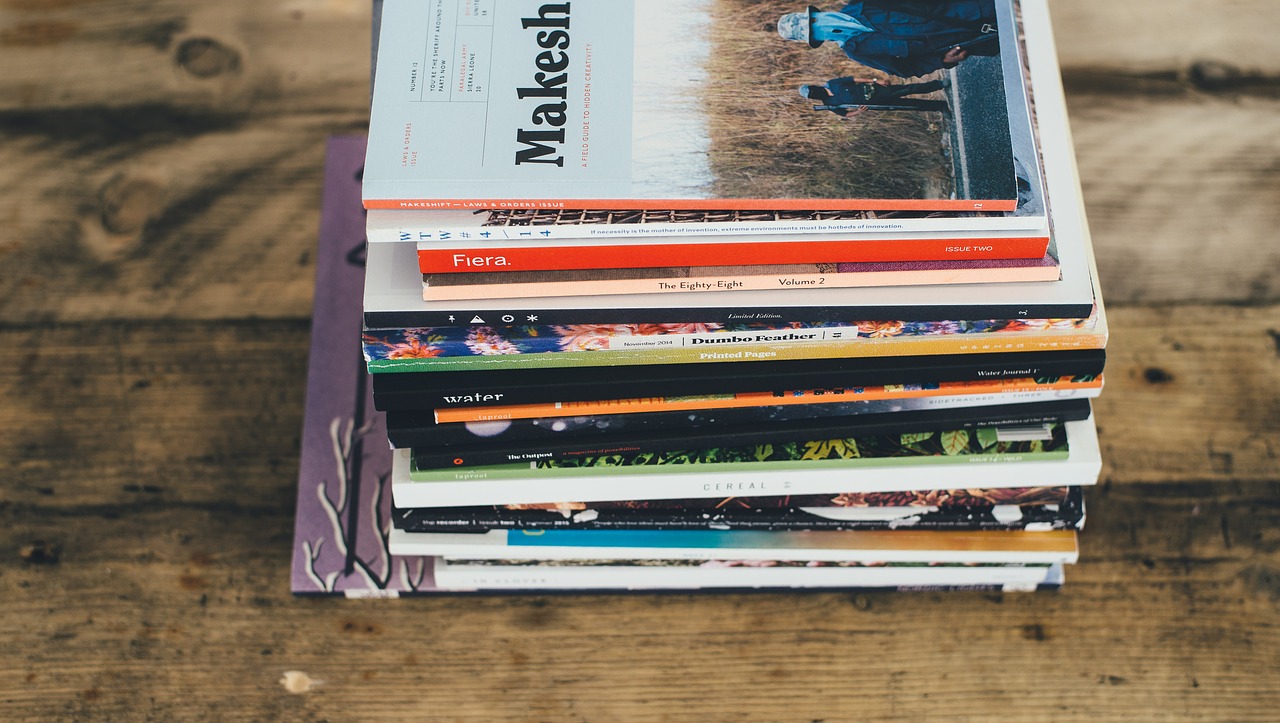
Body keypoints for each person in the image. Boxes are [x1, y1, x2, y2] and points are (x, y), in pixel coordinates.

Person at [777, 2, 999, 78]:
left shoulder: (863, 3)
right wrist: (943, 60)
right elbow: (904, 69)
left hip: (975, 6)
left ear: (817, 14)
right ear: (817, 40)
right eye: (814, 32)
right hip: (977, 39)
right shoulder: (857, 51)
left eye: (814, 21)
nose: (820, 27)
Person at [800, 76, 949, 116]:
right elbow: (845, 114)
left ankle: (939, 84)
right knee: (910, 105)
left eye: (812, 91)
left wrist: (875, 81)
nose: (814, 94)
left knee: (908, 89)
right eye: (811, 95)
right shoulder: (829, 104)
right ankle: (940, 107)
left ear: (814, 87)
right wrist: (859, 111)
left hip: (876, 91)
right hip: (876, 104)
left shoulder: (832, 84)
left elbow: (854, 80)